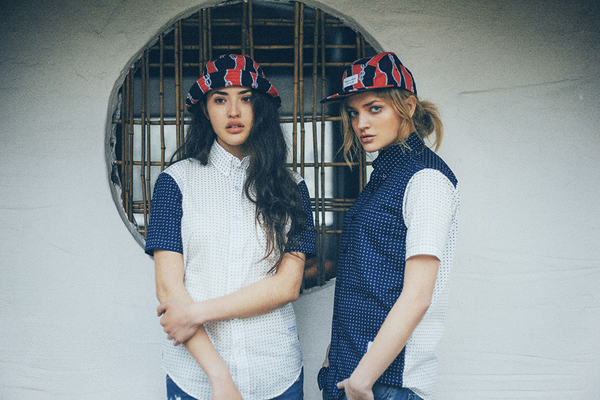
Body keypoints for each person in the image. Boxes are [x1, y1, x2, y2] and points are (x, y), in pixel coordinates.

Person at [145, 54, 316, 400]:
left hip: (276, 374)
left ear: (261, 108)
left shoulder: (293, 187)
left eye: (246, 98)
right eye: (220, 100)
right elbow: (168, 289)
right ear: (205, 109)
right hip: (196, 379)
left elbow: (287, 286)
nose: (233, 111)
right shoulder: (175, 182)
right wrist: (219, 379)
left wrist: (196, 313)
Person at [318, 52, 460, 400]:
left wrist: (362, 380)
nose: (361, 123)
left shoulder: (426, 179)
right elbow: (365, 276)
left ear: (407, 107)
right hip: (350, 371)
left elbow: (418, 296)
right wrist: (333, 357)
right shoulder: (384, 175)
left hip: (386, 384)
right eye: (354, 112)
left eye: (374, 108)